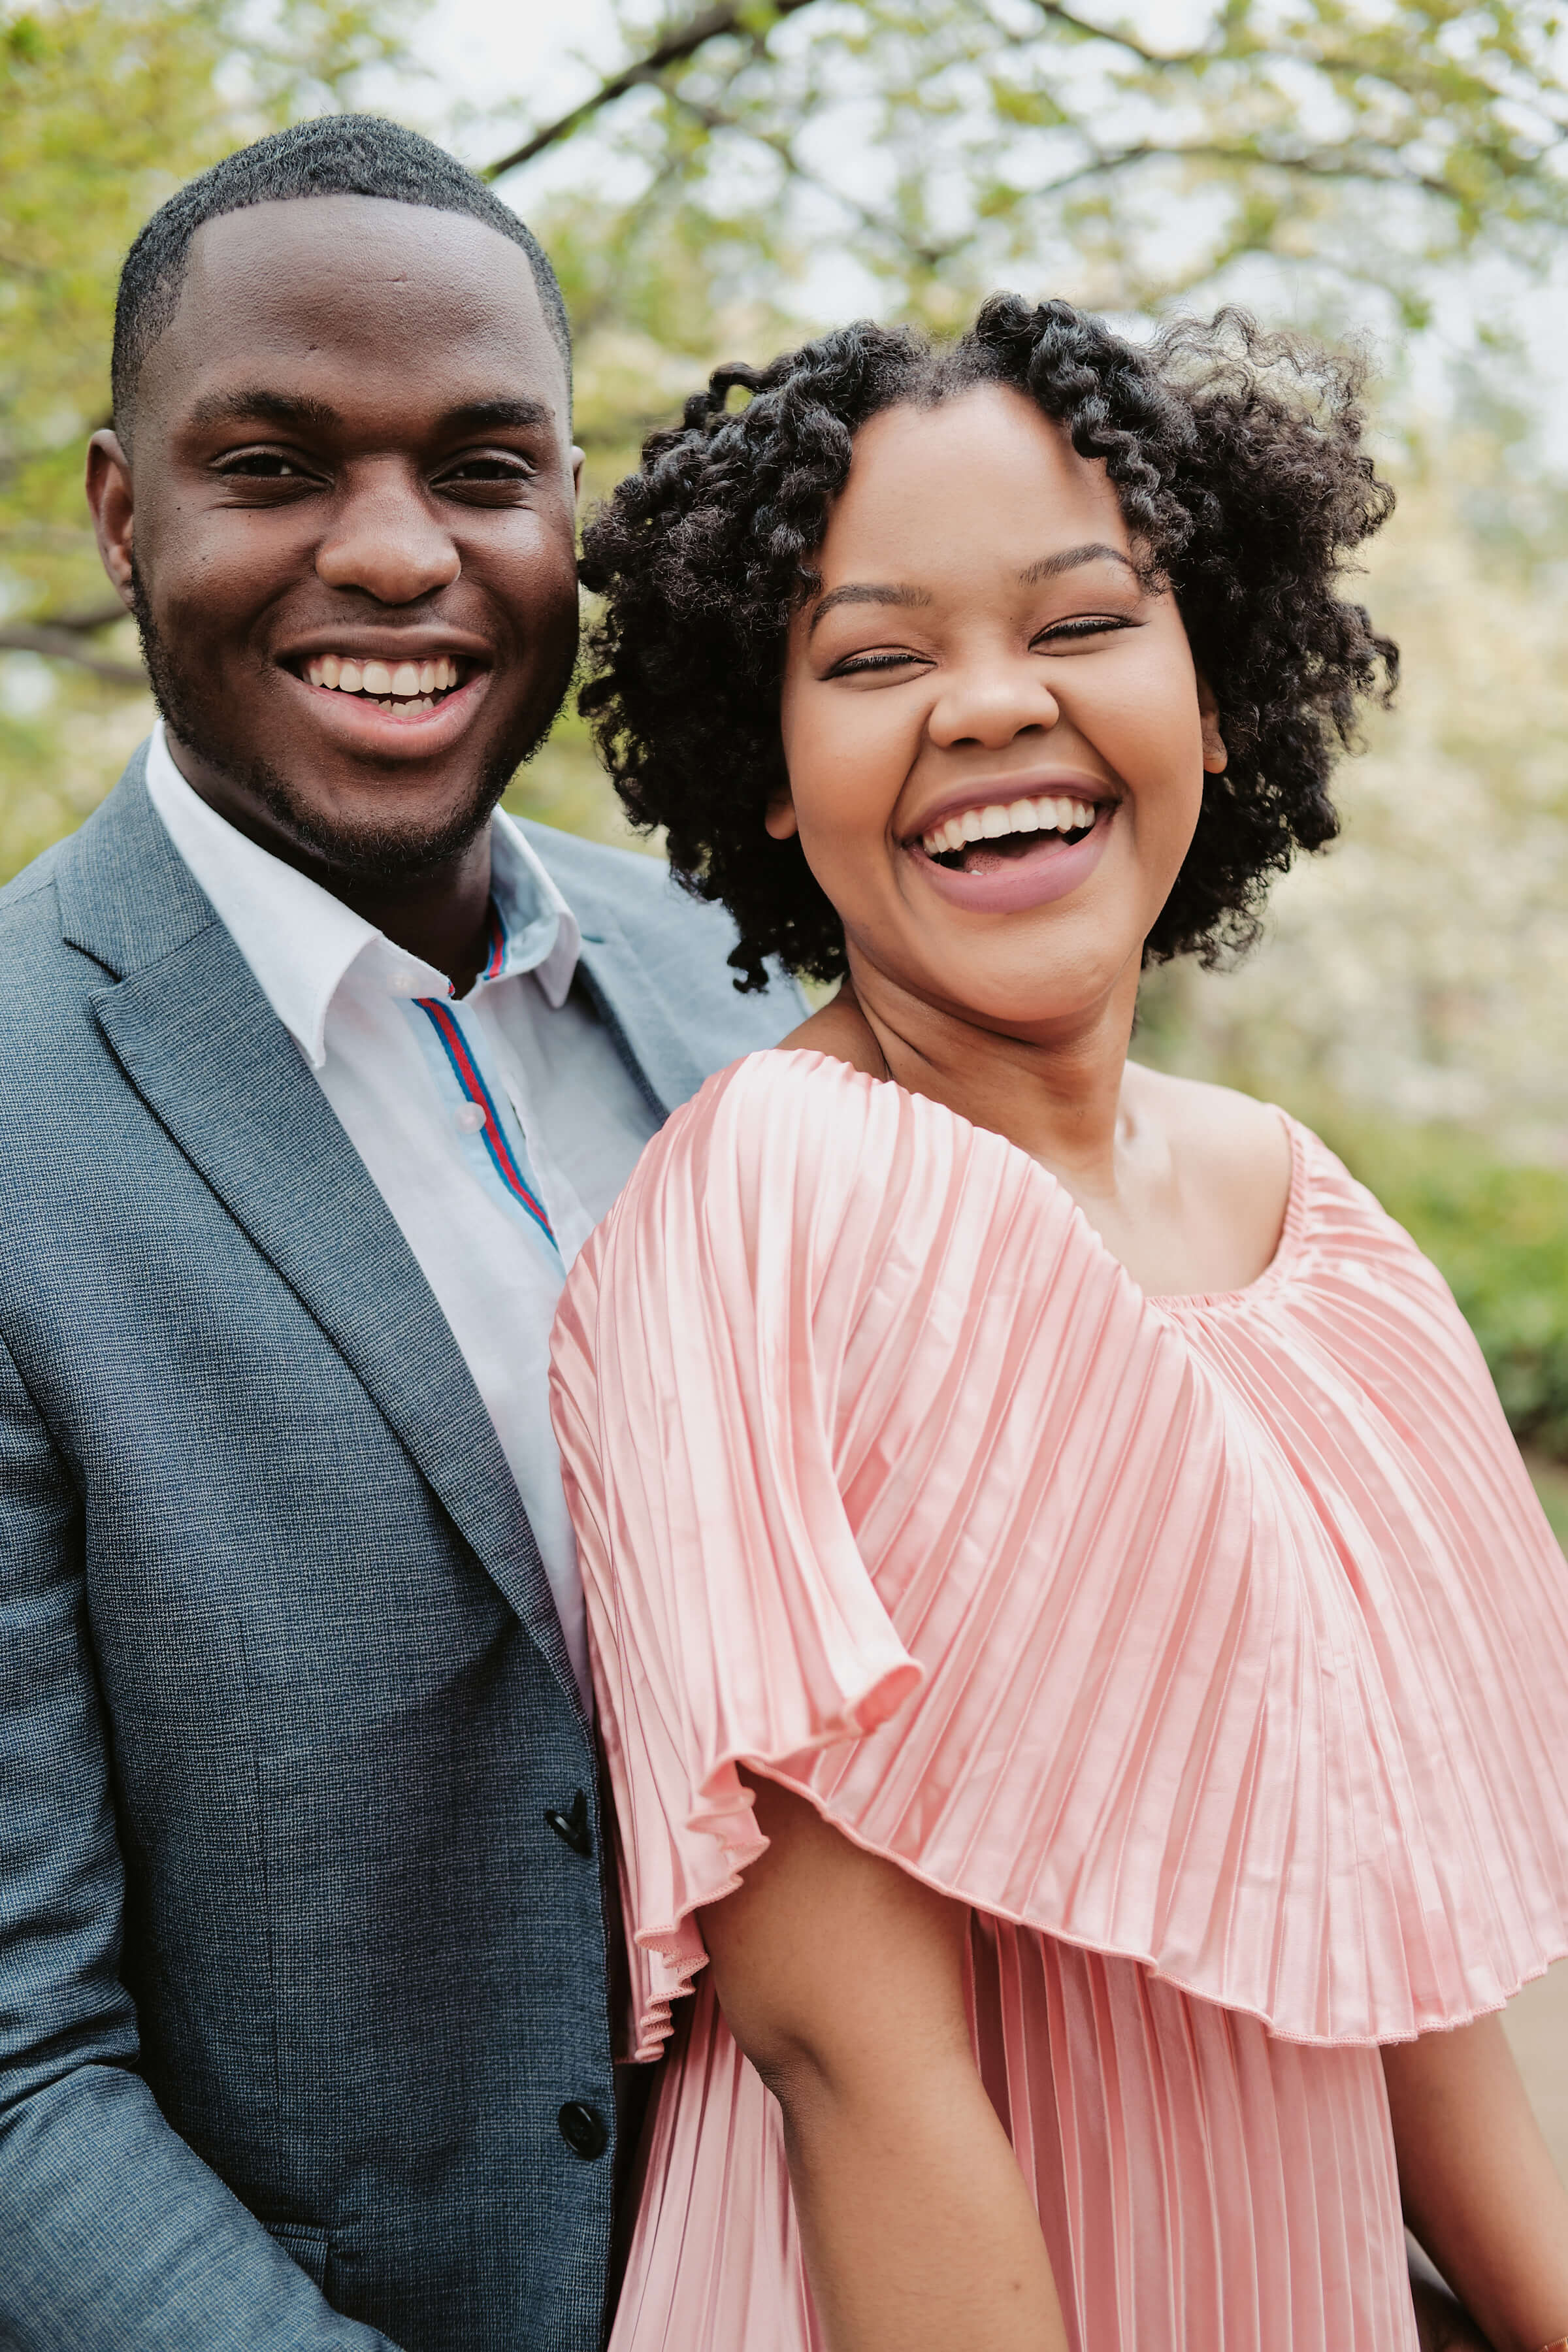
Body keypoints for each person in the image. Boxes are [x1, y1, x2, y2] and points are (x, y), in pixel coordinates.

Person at [549, 300, 1568, 2351]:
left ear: (1214, 701)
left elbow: (1427, 1976)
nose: (992, 705)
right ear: (766, 768)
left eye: (1081, 621)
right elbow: (858, 2064)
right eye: (879, 657)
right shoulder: (763, 1209)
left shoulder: (1323, 1232)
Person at [0, 116, 798, 2352]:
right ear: (121, 509)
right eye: (273, 464)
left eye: (480, 468)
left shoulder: (751, 996)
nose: (395, 555)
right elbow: (16, 2080)